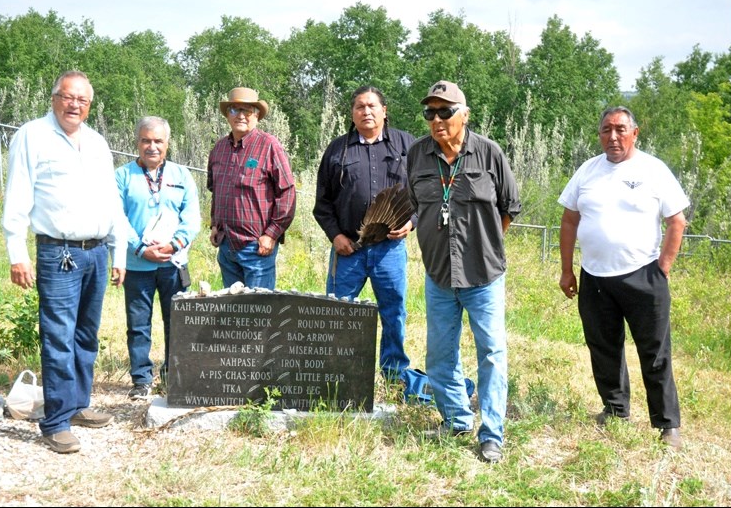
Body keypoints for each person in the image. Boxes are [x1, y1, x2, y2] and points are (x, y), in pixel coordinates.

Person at [2, 70, 127, 454]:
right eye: (67, 97)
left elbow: (111, 200)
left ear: (90, 106)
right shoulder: (32, 136)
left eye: (82, 100)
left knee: (86, 336)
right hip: (59, 253)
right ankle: (55, 421)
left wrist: (118, 250)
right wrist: (17, 253)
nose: (74, 105)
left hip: (95, 251)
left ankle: (77, 404)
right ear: (54, 97)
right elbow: (17, 195)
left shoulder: (96, 143)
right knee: (58, 336)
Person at [558, 106, 688, 449]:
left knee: (655, 352)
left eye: (620, 129)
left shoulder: (653, 170)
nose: (612, 137)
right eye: (606, 130)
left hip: (643, 276)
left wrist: (663, 268)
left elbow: (677, 221)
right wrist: (567, 269)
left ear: (634, 132)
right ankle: (615, 409)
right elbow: (569, 220)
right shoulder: (588, 171)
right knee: (603, 347)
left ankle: (667, 424)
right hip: (595, 277)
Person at [406, 80, 521, 464]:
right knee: (439, 355)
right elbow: (412, 206)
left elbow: (508, 209)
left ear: (464, 115)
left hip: (484, 274)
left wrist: (483, 244)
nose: (437, 120)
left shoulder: (489, 154)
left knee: (491, 353)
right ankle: (456, 419)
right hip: (438, 274)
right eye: (430, 113)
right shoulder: (417, 156)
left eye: (445, 111)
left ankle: (491, 434)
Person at [313, 85, 415, 382]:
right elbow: (322, 203)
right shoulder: (337, 149)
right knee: (337, 312)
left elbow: (427, 191)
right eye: (360, 106)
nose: (366, 111)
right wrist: (335, 236)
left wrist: (413, 222)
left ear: (385, 111)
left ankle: (394, 375)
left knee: (394, 312)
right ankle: (337, 375)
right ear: (352, 113)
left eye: (372, 106)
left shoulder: (406, 146)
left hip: (389, 249)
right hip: (348, 250)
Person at [115, 116, 201, 399]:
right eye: (146, 140)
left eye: (158, 141)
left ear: (167, 144)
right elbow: (117, 218)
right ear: (137, 142)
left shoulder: (181, 175)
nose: (152, 146)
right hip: (138, 263)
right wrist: (139, 248)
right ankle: (141, 379)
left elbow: (191, 218)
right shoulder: (122, 176)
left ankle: (172, 375)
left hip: (172, 264)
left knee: (176, 322)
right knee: (138, 324)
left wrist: (174, 245)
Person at [207, 87, 296, 290]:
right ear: (227, 115)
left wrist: (272, 234)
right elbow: (216, 190)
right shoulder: (219, 148)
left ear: (256, 115)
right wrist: (214, 224)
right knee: (232, 313)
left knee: (259, 314)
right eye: (234, 110)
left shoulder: (269, 145)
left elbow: (287, 193)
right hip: (226, 245)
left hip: (257, 248)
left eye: (247, 111)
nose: (240, 116)